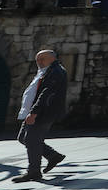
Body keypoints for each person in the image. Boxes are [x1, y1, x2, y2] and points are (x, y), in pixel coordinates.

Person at [13, 49, 68, 182]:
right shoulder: (45, 71)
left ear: (52, 58)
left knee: (31, 140)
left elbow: (46, 94)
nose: (39, 62)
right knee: (24, 138)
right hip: (35, 111)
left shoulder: (55, 72)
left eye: (42, 59)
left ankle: (33, 171)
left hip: (43, 113)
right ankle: (53, 156)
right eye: (37, 59)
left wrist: (34, 112)